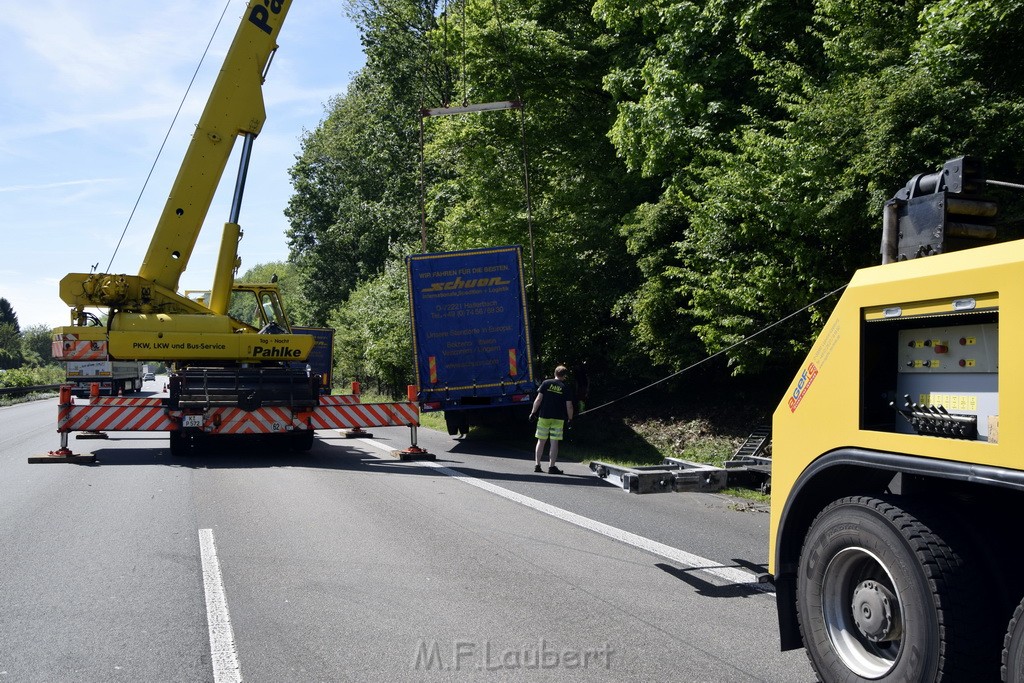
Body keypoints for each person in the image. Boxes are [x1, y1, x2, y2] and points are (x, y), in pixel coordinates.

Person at [529, 365, 574, 474]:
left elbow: (538, 399)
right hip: (558, 419)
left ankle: (537, 465)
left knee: (541, 441)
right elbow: (569, 406)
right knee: (554, 443)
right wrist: (570, 419)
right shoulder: (565, 387)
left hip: (544, 416)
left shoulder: (546, 383)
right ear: (564, 376)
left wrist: (533, 413)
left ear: (555, 373)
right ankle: (551, 467)